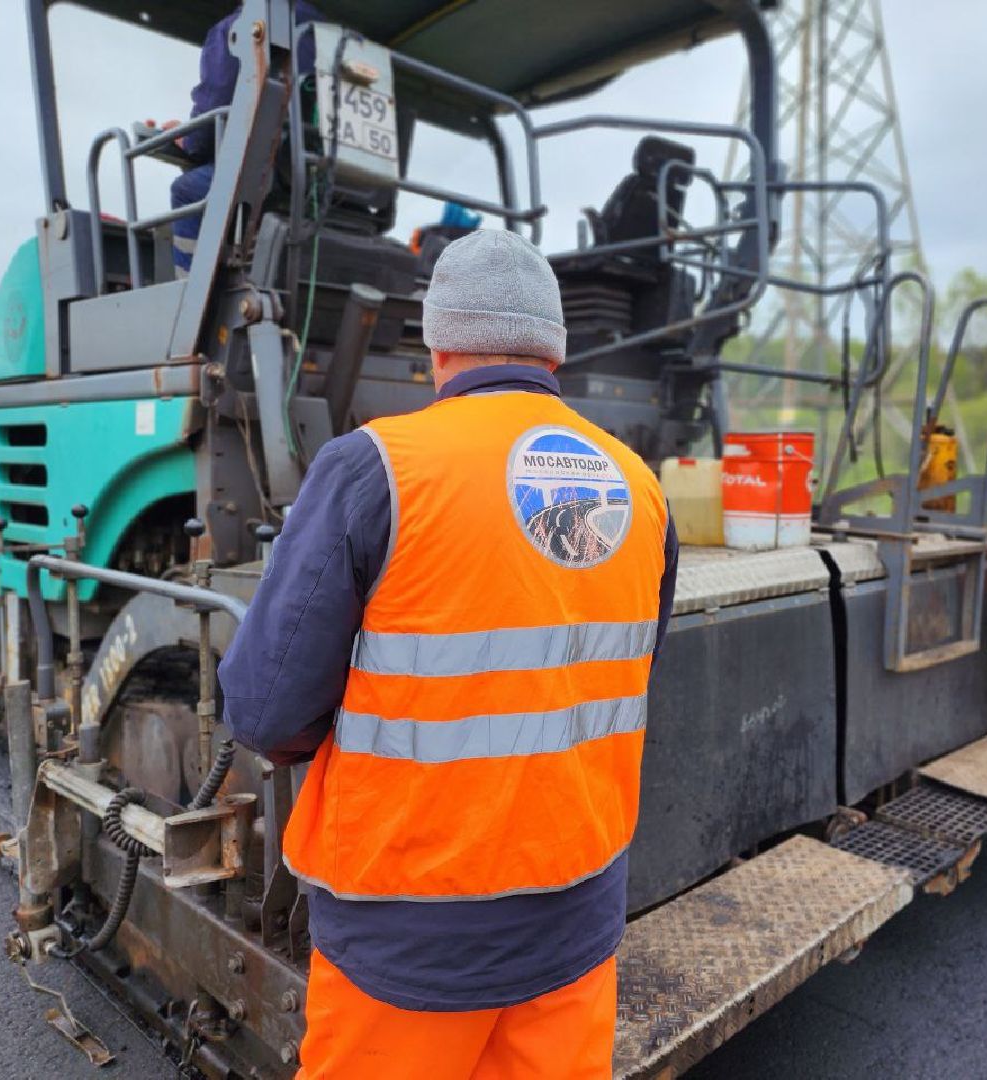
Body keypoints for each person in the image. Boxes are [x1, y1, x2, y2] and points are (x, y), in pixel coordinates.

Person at [219, 229, 679, 1078]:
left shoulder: (375, 469)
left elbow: (265, 711)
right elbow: (609, 680)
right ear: (555, 349)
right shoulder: (640, 487)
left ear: (437, 343)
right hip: (575, 927)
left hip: (409, 939)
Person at [157, 3, 320, 277]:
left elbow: (207, 128)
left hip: (272, 178)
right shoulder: (332, 38)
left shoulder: (239, 26)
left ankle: (189, 292)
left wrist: (187, 138)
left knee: (187, 190)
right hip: (327, 187)